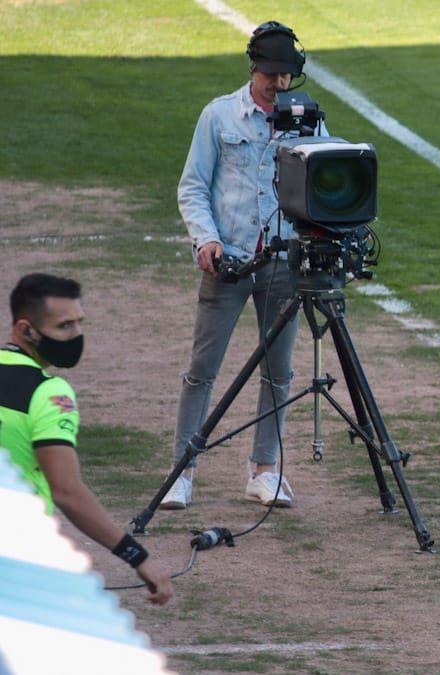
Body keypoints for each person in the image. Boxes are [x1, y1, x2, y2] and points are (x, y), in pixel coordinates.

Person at [163, 21, 323, 509]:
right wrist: (205, 239)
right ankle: (182, 472)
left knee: (279, 373)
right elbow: (193, 186)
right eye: (271, 74)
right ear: (254, 68)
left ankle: (265, 470)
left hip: (284, 263)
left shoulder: (308, 120)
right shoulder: (218, 116)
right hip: (227, 261)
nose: (278, 84)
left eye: (286, 75)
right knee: (202, 369)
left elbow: (322, 184)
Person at [1, 274, 173, 605]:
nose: (77, 335)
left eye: (80, 323)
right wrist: (137, 556)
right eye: (64, 326)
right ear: (25, 330)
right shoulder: (49, 394)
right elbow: (67, 491)